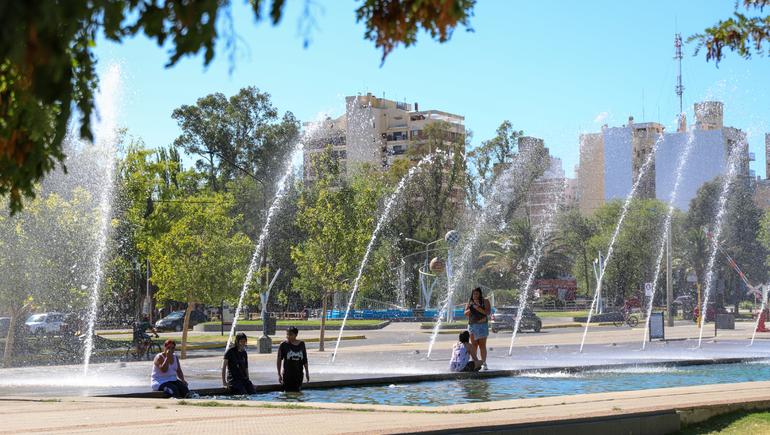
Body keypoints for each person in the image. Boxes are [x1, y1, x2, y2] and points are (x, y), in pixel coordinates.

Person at [464, 287, 491, 370]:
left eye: (477, 294)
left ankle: (483, 362)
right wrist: (471, 309)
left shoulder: (484, 301)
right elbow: (465, 313)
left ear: (480, 294)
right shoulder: (470, 302)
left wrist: (478, 308)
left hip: (482, 325)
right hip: (472, 325)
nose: (475, 295)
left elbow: (488, 312)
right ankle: (474, 363)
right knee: (474, 345)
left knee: (482, 345)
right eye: (474, 294)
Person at [277, 327, 309, 392]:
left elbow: (305, 359)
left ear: (296, 335)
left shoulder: (301, 344)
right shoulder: (283, 345)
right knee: (288, 392)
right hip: (287, 374)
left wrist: (307, 372)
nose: (288, 336)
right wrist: (279, 374)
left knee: (297, 392)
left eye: (290, 335)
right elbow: (279, 360)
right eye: (287, 334)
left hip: (299, 374)